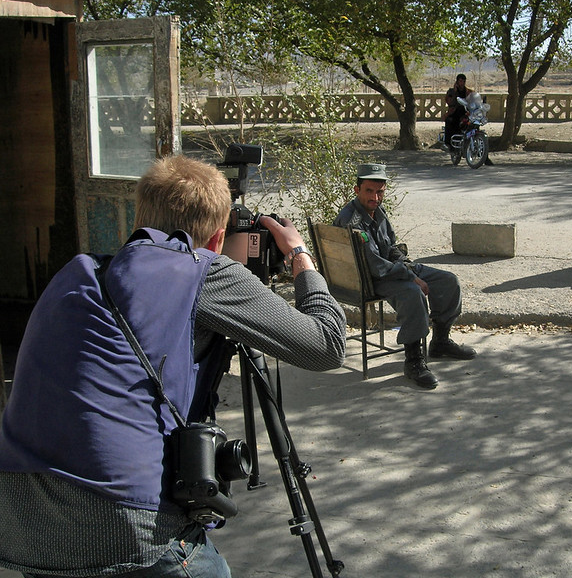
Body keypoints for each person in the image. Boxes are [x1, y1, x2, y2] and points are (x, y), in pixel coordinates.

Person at [0, 155, 347, 577]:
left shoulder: (83, 272)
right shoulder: (204, 270)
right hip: (121, 522)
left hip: (22, 520)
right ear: (218, 239)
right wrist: (300, 257)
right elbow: (326, 346)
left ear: (139, 218)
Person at [334, 163, 476, 390]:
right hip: (371, 280)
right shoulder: (352, 221)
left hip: (393, 269)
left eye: (380, 191)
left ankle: (440, 342)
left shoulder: (377, 211)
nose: (375, 197)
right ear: (356, 190)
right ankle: (413, 360)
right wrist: (410, 277)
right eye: (369, 191)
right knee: (413, 293)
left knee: (449, 281)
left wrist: (407, 266)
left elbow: (390, 247)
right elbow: (375, 265)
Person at [443, 73, 472, 152]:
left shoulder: (468, 92)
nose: (462, 83)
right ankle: (448, 144)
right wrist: (455, 92)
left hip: (465, 113)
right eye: (460, 81)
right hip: (454, 112)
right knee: (449, 121)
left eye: (463, 81)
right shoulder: (451, 91)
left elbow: (473, 101)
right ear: (457, 82)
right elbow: (449, 102)